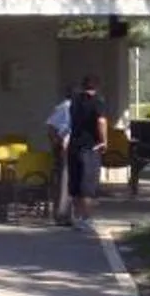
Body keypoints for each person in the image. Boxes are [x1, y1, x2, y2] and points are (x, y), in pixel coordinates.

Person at [66, 74, 108, 226]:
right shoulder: (98, 102)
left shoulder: (74, 102)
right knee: (88, 185)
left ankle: (76, 217)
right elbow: (101, 121)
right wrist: (104, 141)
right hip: (90, 147)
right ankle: (86, 219)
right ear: (97, 86)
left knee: (75, 184)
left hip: (74, 146)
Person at [43, 87, 74, 224]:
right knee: (64, 181)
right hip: (66, 147)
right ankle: (62, 215)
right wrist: (57, 142)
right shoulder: (65, 107)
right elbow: (51, 126)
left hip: (75, 147)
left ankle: (70, 215)